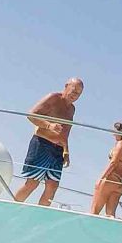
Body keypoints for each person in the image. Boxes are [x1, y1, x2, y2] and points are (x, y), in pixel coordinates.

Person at [14, 77, 84, 207]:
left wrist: (66, 150)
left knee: (53, 185)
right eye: (73, 91)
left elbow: (65, 131)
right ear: (66, 86)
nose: (75, 96)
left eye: (78, 94)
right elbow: (31, 115)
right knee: (32, 182)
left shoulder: (72, 109)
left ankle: (39, 215)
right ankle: (11, 209)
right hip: (42, 144)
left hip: (58, 150)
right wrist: (49, 125)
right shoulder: (53, 98)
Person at [90, 122, 122, 218]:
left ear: (121, 132)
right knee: (110, 215)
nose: (113, 134)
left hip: (111, 179)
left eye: (115, 131)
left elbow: (113, 163)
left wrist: (101, 178)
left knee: (94, 211)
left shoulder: (121, 144)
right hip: (121, 183)